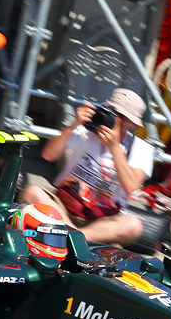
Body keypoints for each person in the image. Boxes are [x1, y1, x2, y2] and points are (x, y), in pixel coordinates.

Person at [19, 88, 155, 247]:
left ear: (133, 124)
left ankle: (70, 236)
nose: (116, 120)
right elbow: (48, 155)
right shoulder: (86, 130)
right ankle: (75, 237)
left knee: (133, 226)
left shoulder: (140, 148)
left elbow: (131, 187)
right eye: (114, 113)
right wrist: (74, 124)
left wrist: (115, 148)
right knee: (32, 192)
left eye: (123, 118)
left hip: (101, 223)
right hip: (63, 208)